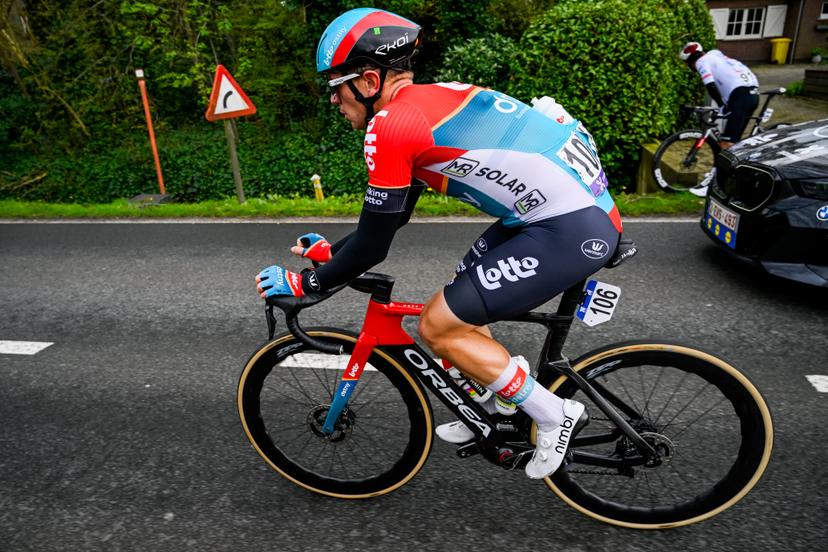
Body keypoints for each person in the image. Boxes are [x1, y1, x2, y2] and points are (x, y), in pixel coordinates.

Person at [255, 8, 623, 480]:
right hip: (551, 214)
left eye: (336, 86)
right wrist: (331, 254)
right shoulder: (429, 102)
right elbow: (393, 216)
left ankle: (554, 413)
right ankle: (500, 402)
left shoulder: (389, 126)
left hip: (567, 227)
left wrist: (307, 282)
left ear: (368, 81)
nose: (333, 99)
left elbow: (373, 246)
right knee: (457, 301)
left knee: (436, 327)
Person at [679, 42, 760, 150]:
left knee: (726, 144)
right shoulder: (715, 54)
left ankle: (721, 167)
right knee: (735, 143)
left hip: (740, 95)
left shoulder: (700, 62)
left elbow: (710, 85)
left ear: (689, 62)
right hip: (752, 93)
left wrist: (721, 105)